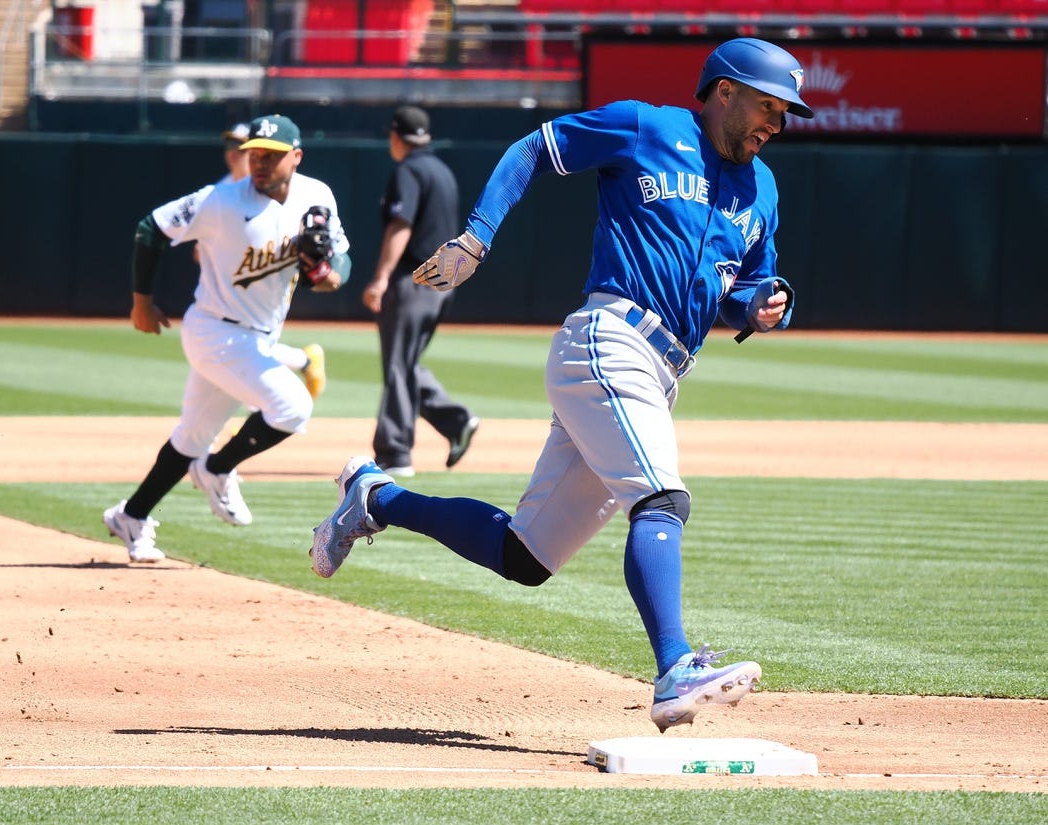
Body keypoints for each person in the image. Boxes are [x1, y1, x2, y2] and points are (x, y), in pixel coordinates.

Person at [307, 38, 809, 733]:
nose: (775, 125)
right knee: (661, 499)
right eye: (768, 106)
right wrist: (478, 234)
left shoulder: (763, 188)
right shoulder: (647, 127)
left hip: (661, 371)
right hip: (609, 340)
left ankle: (374, 497)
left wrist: (758, 305)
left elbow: (744, 285)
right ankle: (674, 668)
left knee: (525, 555)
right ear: (724, 91)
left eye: (785, 115)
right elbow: (536, 148)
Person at [104, 113, 351, 563]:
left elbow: (340, 261)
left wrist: (328, 274)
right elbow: (150, 228)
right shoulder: (221, 200)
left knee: (191, 436)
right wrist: (142, 301)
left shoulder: (317, 196)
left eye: (272, 156)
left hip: (257, 336)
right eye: (254, 153)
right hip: (214, 330)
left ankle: (131, 516)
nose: (259, 162)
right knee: (293, 407)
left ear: (295, 158)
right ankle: (217, 468)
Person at [360, 106, 479, 477]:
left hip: (414, 281)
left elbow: (401, 225)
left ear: (397, 137)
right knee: (407, 362)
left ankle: (395, 453)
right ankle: (455, 421)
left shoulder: (409, 170)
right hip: (442, 284)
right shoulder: (442, 171)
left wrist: (381, 277)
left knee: (398, 364)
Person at [203, 123, 328, 401]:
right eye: (230, 146)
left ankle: (274, 398)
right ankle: (302, 361)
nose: (233, 152)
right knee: (238, 351)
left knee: (247, 349)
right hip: (237, 283)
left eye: (239, 145)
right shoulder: (225, 190)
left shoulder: (274, 186)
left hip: (269, 284)